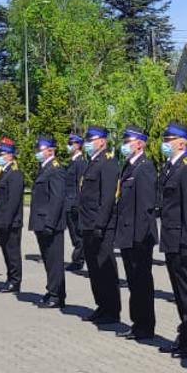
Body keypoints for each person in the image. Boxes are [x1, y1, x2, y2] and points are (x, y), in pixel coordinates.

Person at [156, 124, 187, 355]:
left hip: (183, 242)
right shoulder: (170, 167)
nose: (165, 142)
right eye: (164, 138)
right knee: (178, 292)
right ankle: (184, 334)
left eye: (169, 139)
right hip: (171, 239)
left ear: (182, 142)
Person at [112, 127, 159, 342]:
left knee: (142, 282)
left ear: (140, 143)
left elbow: (146, 207)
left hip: (139, 237)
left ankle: (145, 325)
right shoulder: (129, 167)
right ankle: (137, 322)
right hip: (127, 234)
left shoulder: (145, 167)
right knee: (133, 282)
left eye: (128, 140)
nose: (125, 144)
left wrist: (139, 239)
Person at [76, 126, 123, 324]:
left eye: (91, 139)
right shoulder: (92, 162)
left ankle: (112, 310)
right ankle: (102, 305)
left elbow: (108, 198)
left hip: (100, 225)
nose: (87, 143)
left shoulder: (108, 162)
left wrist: (100, 224)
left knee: (105, 268)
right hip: (87, 223)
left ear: (102, 141)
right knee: (94, 269)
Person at [29, 136, 71, 308]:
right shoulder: (44, 168)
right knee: (48, 259)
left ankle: (57, 295)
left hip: (50, 223)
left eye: (40, 150)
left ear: (50, 151)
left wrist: (50, 223)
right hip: (42, 222)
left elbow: (57, 199)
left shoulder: (55, 170)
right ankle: (52, 289)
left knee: (54, 260)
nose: (37, 153)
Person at [0, 141, 25, 294]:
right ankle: (10, 277)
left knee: (12, 252)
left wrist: (6, 220)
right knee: (6, 251)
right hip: (2, 219)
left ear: (10, 156)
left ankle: (15, 281)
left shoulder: (15, 173)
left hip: (11, 221)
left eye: (1, 154)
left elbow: (13, 201)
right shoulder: (4, 172)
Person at [64, 132, 89, 273]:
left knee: (79, 235)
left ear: (78, 145)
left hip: (75, 203)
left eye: (71, 143)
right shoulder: (73, 162)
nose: (68, 146)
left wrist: (78, 203)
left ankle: (78, 259)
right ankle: (78, 258)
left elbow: (80, 184)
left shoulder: (81, 163)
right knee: (74, 235)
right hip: (69, 202)